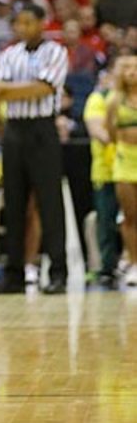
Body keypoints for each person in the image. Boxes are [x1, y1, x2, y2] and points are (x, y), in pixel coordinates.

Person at [0, 4, 68, 295]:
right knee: (14, 203)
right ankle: (14, 274)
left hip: (42, 129)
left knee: (49, 202)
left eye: (27, 22)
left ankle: (58, 272)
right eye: (18, 23)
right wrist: (15, 90)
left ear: (41, 23)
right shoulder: (10, 53)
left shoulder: (56, 51)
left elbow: (44, 89)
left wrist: (8, 89)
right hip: (14, 130)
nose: (22, 28)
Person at [83, 63, 119, 287]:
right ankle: (107, 268)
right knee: (106, 221)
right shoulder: (98, 98)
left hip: (131, 168)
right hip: (106, 170)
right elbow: (97, 130)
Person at [107, 54, 137, 287]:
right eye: (127, 67)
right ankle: (134, 263)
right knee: (129, 216)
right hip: (125, 158)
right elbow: (110, 132)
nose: (131, 72)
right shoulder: (115, 100)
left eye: (135, 68)